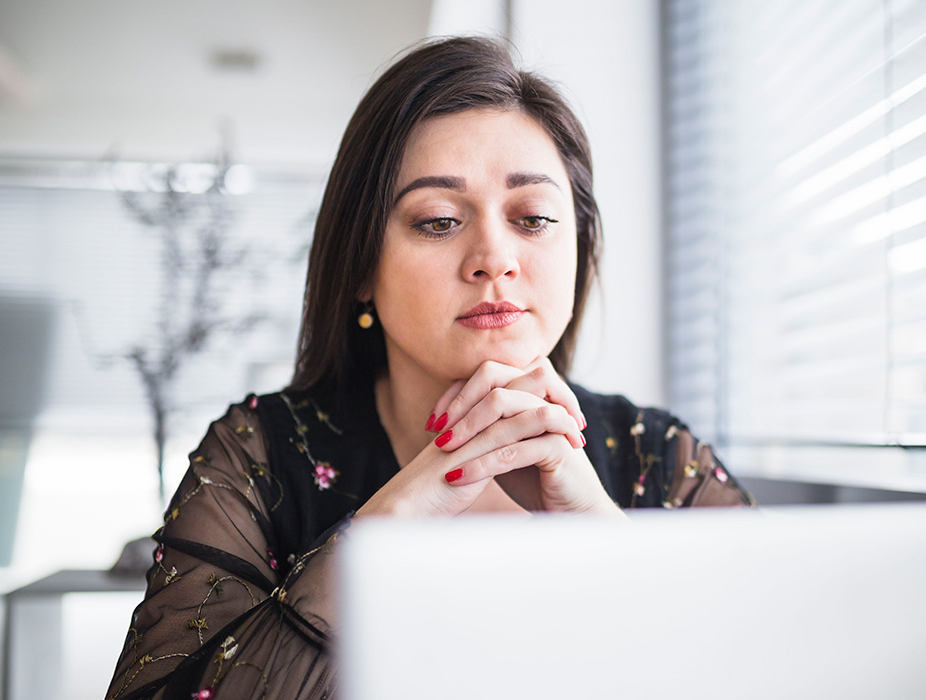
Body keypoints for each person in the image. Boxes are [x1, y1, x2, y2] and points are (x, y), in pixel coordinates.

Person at [105, 36, 753, 700]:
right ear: (359, 264)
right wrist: (379, 535)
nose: (493, 257)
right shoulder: (258, 454)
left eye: (532, 218)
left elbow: (785, 666)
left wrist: (601, 532)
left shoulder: (661, 459)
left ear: (580, 247)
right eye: (439, 221)